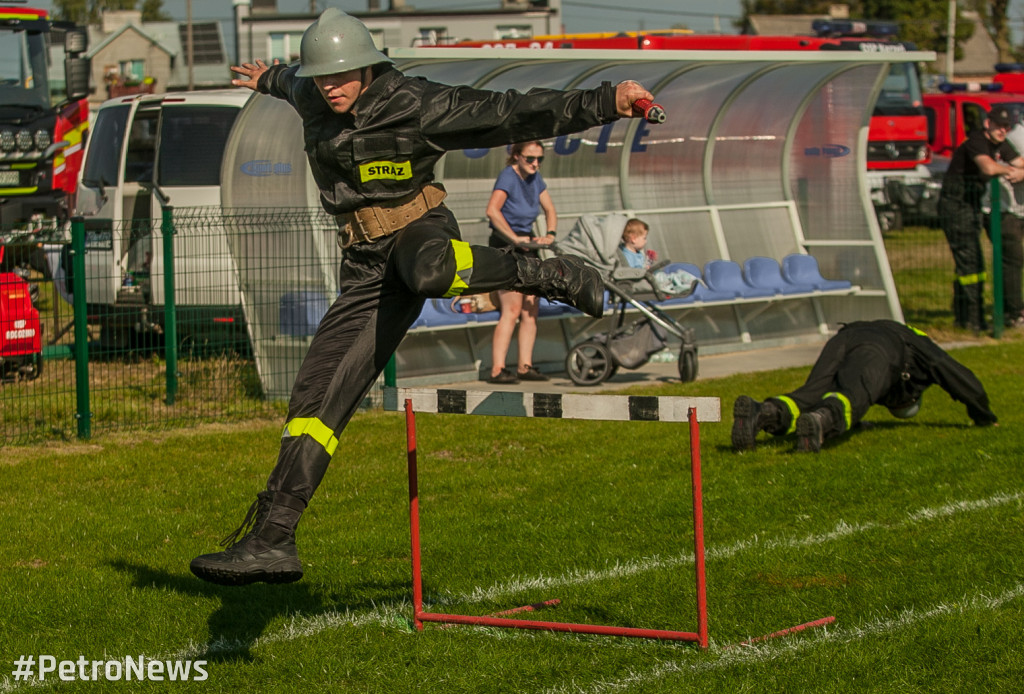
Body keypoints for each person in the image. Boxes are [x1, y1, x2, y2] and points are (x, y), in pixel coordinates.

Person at [189, 8, 659, 586]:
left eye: (339, 76)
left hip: (420, 233)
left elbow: (512, 112)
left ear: (366, 67)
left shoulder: (419, 103)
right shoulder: (310, 92)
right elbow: (287, 80)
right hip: (363, 269)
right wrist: (268, 77)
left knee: (431, 271)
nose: (329, 87)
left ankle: (545, 274)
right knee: (316, 398)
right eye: (321, 78)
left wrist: (607, 99)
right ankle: (273, 538)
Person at [731, 320, 997, 454]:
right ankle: (821, 422)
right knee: (852, 399)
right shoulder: (920, 349)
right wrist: (984, 416)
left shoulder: (907, 338)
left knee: (810, 394)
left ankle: (763, 411)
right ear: (909, 392)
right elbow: (961, 378)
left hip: (846, 336)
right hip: (882, 347)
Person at [938, 106, 1024, 332]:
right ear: (988, 123)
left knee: (972, 264)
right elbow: (987, 167)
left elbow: (1019, 162)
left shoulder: (1000, 143)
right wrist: (1008, 171)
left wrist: (1020, 172)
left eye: (1006, 126)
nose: (1002, 130)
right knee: (971, 264)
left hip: (971, 205)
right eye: (998, 125)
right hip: (955, 205)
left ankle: (964, 315)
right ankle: (973, 320)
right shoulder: (976, 141)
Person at [486, 141, 557, 384]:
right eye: (530, 158)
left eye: (539, 159)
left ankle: (525, 366)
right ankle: (497, 369)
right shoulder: (508, 176)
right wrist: (514, 238)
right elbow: (493, 211)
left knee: (530, 308)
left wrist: (550, 234)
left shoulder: (536, 178)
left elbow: (550, 210)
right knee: (513, 309)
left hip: (529, 248)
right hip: (505, 247)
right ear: (516, 157)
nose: (535, 164)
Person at [987, 116, 1024, 328]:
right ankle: (1013, 311)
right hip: (1007, 209)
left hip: (1016, 208)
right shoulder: (1018, 138)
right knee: (1012, 261)